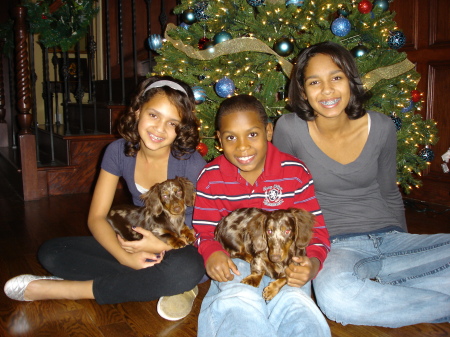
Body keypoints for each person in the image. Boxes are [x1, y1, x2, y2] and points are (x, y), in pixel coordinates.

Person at [273, 41, 450, 328]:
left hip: (393, 240)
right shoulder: (289, 129)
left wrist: (400, 248)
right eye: (315, 81)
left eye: (336, 77)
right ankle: (392, 286)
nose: (327, 90)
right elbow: (286, 201)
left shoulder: (381, 127)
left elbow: (389, 192)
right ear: (303, 91)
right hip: (336, 247)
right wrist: (300, 253)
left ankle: (381, 283)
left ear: (351, 82)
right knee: (336, 297)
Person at [4, 76, 207, 321]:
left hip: (179, 247)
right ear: (138, 110)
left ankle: (72, 290)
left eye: (172, 123)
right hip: (133, 241)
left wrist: (161, 245)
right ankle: (156, 282)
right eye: (153, 115)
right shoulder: (118, 151)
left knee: (189, 268)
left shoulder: (191, 163)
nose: (160, 129)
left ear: (181, 128)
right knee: (52, 251)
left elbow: (206, 227)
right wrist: (126, 257)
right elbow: (97, 217)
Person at [193, 94, 331, 337]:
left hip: (289, 263)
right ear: (219, 140)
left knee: (295, 303)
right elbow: (204, 231)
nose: (243, 146)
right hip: (236, 260)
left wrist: (312, 265)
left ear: (268, 131)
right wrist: (211, 252)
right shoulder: (210, 177)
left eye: (252, 134)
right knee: (238, 298)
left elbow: (316, 231)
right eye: (231, 137)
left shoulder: (295, 172)